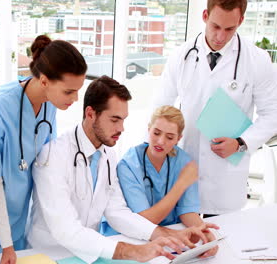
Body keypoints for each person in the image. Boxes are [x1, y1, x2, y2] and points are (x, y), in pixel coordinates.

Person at [28, 76, 218, 264]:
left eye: (123, 120)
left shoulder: (108, 155)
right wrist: (133, 251)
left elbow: (116, 211)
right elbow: (66, 229)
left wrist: (170, 235)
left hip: (90, 253)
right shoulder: (53, 156)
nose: (122, 128)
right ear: (90, 114)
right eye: (114, 120)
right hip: (50, 255)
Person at [0, 35, 87, 263]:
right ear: (44, 81)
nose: (75, 98)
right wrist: (5, 244)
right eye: (69, 92)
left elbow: (44, 160)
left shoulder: (50, 105)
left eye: (78, 90)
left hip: (20, 225)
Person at [154, 0, 277, 216]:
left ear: (240, 20)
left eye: (229, 29)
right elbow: (160, 107)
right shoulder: (181, 56)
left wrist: (241, 143)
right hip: (183, 171)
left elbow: (272, 115)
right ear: (204, 16)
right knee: (182, 244)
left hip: (226, 181)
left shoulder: (257, 60)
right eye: (215, 26)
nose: (220, 36)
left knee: (221, 243)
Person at [102, 105, 218, 258]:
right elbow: (145, 220)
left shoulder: (184, 162)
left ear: (178, 139)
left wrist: (205, 233)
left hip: (170, 235)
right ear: (149, 129)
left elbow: (187, 211)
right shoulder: (129, 164)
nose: (160, 141)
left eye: (170, 137)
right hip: (131, 238)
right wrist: (181, 184)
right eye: (156, 133)